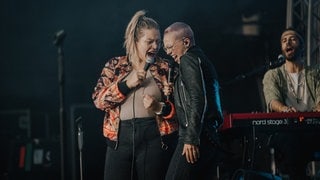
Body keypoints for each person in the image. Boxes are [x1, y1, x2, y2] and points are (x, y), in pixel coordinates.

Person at [92, 10, 178, 180]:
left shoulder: (166, 68)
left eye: (158, 42)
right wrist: (125, 85)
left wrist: (159, 108)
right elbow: (98, 100)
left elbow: (180, 108)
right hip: (119, 140)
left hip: (154, 137)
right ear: (135, 41)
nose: (155, 46)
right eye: (150, 41)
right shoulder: (115, 65)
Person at [162, 22, 224, 180]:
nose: (168, 52)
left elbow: (198, 98)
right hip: (208, 135)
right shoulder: (199, 58)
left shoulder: (188, 58)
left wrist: (191, 138)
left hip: (196, 135)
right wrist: (175, 88)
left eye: (170, 47)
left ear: (186, 42)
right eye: (166, 48)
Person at [262, 27, 320, 179]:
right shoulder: (273, 75)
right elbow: (272, 100)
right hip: (287, 129)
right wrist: (284, 109)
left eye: (292, 38)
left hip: (314, 127)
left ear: (301, 45)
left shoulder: (316, 73)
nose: (287, 42)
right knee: (291, 144)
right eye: (284, 40)